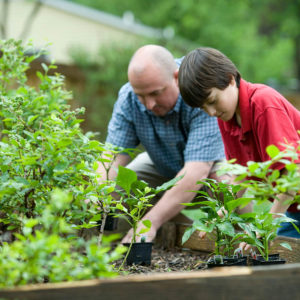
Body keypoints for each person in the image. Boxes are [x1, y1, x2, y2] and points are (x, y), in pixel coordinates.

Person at [97, 45, 226, 243]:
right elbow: (111, 159)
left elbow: (196, 171)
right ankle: (180, 234)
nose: (149, 104)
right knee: (123, 185)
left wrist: (150, 222)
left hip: (210, 164)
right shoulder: (128, 98)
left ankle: (243, 240)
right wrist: (97, 193)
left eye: (156, 93)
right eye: (141, 96)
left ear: (176, 77)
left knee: (226, 183)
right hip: (162, 165)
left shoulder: (198, 88)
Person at [178, 47, 300, 238]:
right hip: (294, 208)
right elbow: (240, 175)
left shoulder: (263, 103)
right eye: (203, 108)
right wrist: (221, 215)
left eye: (212, 100)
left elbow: (293, 172)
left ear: (230, 79)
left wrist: (265, 227)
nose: (210, 112)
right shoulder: (227, 118)